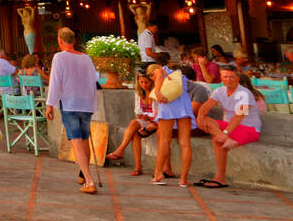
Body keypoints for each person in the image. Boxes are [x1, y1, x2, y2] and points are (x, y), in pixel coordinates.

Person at [45, 27, 100, 194]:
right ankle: (83, 174)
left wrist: (50, 104)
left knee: (76, 142)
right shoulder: (86, 58)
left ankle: (90, 181)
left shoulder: (59, 57)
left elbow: (55, 82)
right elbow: (95, 79)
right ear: (74, 41)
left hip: (70, 103)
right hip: (86, 103)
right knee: (84, 139)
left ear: (60, 41)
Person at [194, 63, 263, 188]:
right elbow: (205, 106)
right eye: (225, 77)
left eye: (231, 77)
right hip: (229, 128)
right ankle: (227, 141)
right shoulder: (220, 91)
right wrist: (200, 117)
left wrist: (224, 134)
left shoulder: (244, 93)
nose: (228, 80)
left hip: (249, 129)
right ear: (221, 77)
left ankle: (220, 178)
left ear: (237, 78)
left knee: (217, 140)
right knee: (206, 120)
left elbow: (239, 116)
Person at [149, 55, 194, 187]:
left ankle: (158, 174)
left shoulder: (158, 70)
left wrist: (157, 92)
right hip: (184, 105)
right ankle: (183, 179)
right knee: (185, 143)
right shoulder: (181, 76)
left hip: (168, 104)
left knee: (164, 140)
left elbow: (157, 80)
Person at [107, 72, 158, 176]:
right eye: (141, 82)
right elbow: (138, 111)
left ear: (152, 82)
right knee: (135, 129)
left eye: (146, 82)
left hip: (156, 122)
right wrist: (145, 116)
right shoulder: (138, 93)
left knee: (134, 124)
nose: (144, 85)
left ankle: (121, 150)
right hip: (144, 121)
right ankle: (137, 167)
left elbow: (159, 112)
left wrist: (148, 116)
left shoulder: (156, 93)